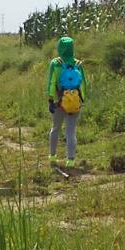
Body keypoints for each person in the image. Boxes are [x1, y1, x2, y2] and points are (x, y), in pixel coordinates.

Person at [46, 36, 87, 166]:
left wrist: (50, 99)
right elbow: (84, 84)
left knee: (56, 128)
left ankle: (52, 156)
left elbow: (51, 83)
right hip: (75, 101)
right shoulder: (78, 64)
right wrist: (81, 101)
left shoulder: (55, 63)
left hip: (59, 101)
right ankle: (70, 160)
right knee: (71, 131)